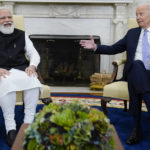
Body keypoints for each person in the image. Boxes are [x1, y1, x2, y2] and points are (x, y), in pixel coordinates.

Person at [80, 4, 150, 145]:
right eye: (136, 14)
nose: (137, 17)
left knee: (136, 83)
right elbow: (114, 48)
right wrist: (95, 47)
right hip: (136, 72)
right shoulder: (132, 33)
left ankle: (136, 129)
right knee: (136, 66)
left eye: (141, 14)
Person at [0, 7, 42, 146]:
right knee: (6, 82)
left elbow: (33, 53)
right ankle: (10, 129)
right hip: (2, 72)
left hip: (21, 69)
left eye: (9, 17)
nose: (7, 20)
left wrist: (32, 66)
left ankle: (28, 125)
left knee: (33, 79)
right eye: (2, 18)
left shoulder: (22, 34)